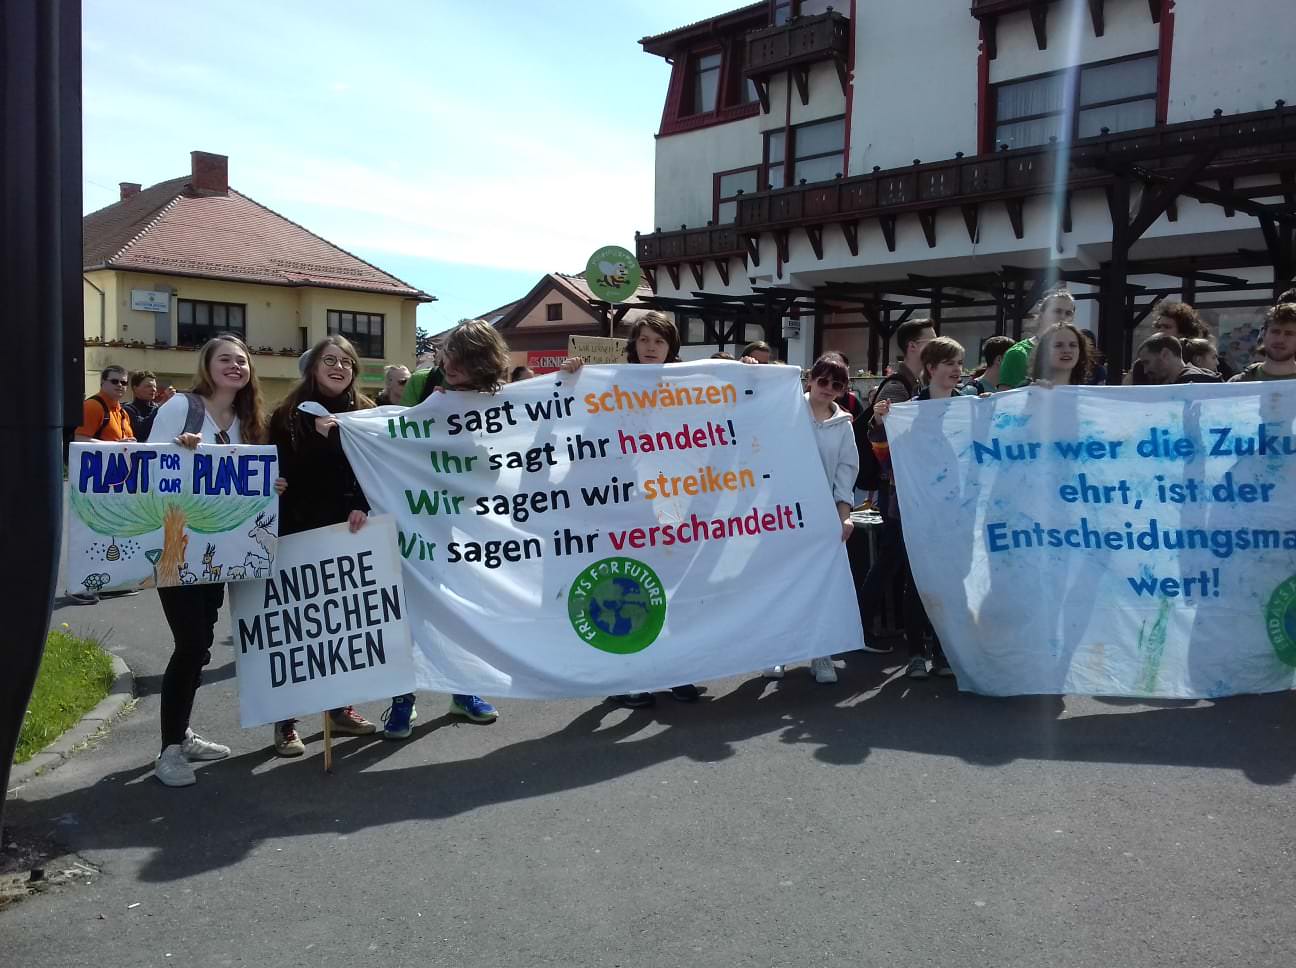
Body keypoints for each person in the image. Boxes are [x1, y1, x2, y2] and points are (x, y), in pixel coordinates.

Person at [150, 335, 286, 787]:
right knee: (189, 644)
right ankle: (169, 751)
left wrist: (273, 485)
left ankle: (181, 735)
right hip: (180, 547)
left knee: (202, 644)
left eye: (241, 360)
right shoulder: (181, 408)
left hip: (226, 552)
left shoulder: (250, 421)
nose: (235, 366)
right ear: (206, 367)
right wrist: (177, 450)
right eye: (224, 359)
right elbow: (150, 467)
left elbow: (247, 482)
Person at [561, 311, 702, 707]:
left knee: (674, 588)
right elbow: (584, 429)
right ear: (634, 345)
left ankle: (675, 671)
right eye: (644, 340)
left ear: (671, 346)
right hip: (627, 504)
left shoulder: (690, 383)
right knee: (628, 590)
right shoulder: (612, 383)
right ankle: (625, 678)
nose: (651, 347)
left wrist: (749, 371)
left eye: (659, 341)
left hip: (675, 501)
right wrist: (573, 376)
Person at [382, 320, 508, 739]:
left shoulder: (495, 394)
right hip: (416, 514)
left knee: (460, 608)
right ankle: (403, 699)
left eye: (465, 358)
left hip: (466, 518)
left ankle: (463, 691)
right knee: (410, 610)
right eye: (449, 353)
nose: (452, 364)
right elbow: (398, 439)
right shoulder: (422, 382)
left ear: (483, 363)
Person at [267, 336, 382, 756]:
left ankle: (339, 707)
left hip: (350, 529)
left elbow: (379, 470)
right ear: (312, 368)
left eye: (346, 362)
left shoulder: (370, 415)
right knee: (300, 627)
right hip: (297, 529)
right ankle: (287, 721)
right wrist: (317, 438)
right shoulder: (285, 416)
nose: (338, 368)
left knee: (345, 623)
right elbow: (279, 475)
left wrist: (362, 506)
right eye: (329, 360)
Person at [869, 336, 966, 680]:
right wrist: (881, 423)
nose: (957, 369)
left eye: (959, 363)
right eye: (950, 363)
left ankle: (942, 651)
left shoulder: (966, 407)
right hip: (915, 508)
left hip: (955, 509)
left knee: (950, 582)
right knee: (916, 579)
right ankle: (914, 653)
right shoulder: (909, 409)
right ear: (931, 368)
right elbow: (883, 453)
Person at [763, 353, 857, 683]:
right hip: (784, 514)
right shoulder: (786, 411)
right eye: (822, 380)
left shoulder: (844, 424)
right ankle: (780, 651)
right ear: (810, 379)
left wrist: (844, 516)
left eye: (837, 384)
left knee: (822, 587)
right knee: (782, 584)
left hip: (823, 517)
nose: (828, 388)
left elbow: (846, 473)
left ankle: (822, 654)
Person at [858, 317, 937, 668]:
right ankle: (860, 626)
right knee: (890, 563)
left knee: (893, 563)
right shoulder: (898, 386)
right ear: (913, 347)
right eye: (930, 340)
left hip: (906, 495)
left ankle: (865, 624)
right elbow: (886, 441)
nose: (936, 343)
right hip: (898, 496)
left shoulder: (913, 381)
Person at [995, 289, 1077, 389]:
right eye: (1057, 311)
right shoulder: (1018, 354)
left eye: (1068, 313)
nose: (1062, 317)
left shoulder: (1075, 354)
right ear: (1042, 314)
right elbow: (1006, 401)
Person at [1229, 303, 1296, 381]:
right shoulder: (1237, 383)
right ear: (1264, 334)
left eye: (1289, 334)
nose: (1280, 339)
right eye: (1275, 332)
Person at [75, 365, 136, 443]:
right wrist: (116, 445)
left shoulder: (123, 412)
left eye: (124, 383)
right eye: (114, 381)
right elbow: (80, 439)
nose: (120, 385)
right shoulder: (93, 406)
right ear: (102, 382)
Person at [1135, 333, 1222, 385]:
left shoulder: (1192, 384)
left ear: (1165, 354)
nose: (1145, 371)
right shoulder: (1197, 380)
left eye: (1147, 362)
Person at [1027, 323, 1092, 386]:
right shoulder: (1026, 388)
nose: (1067, 350)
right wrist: (1033, 394)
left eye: (1073, 345)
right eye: (1058, 345)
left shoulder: (1089, 394)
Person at [122, 370, 174, 442]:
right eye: (148, 386)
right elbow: (142, 432)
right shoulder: (128, 409)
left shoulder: (158, 408)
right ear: (135, 388)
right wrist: (161, 405)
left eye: (154, 386)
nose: (153, 389)